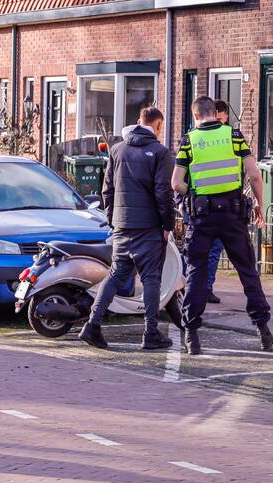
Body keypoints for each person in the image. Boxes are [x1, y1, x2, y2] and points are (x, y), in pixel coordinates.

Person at [172, 96, 273, 355]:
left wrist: (195, 194)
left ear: (196, 116)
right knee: (247, 271)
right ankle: (263, 331)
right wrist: (259, 205)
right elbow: (254, 175)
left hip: (202, 217)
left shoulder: (189, 140)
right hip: (233, 215)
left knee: (196, 272)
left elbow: (176, 183)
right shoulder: (234, 135)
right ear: (215, 114)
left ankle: (192, 336)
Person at [79, 107, 175, 351]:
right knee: (151, 278)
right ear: (158, 125)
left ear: (138, 122)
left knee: (116, 274)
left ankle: (92, 325)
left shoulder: (117, 150)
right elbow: (163, 193)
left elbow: (106, 190)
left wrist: (113, 220)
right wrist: (167, 225)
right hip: (149, 227)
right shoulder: (160, 153)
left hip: (122, 225)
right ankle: (151, 332)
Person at [203, 99, 232, 305]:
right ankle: (204, 288)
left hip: (213, 204)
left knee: (205, 250)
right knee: (210, 250)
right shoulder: (231, 137)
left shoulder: (193, 137)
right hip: (215, 205)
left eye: (221, 119)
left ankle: (199, 288)